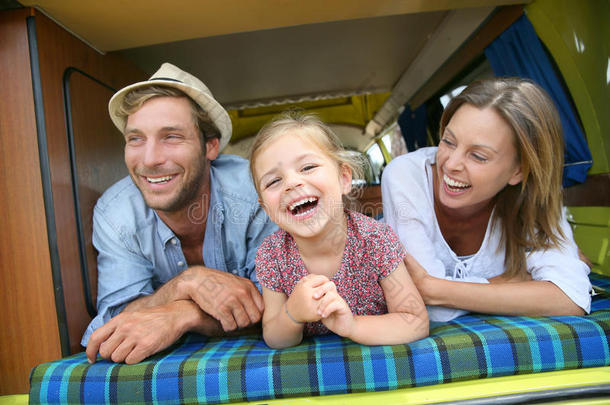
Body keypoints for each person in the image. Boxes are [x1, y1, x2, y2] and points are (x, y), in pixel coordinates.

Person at [83, 63, 278, 364]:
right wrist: (186, 283)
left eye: (171, 137)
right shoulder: (115, 213)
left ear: (210, 146)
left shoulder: (258, 193)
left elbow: (285, 306)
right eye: (135, 139)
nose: (149, 160)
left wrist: (183, 314)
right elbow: (113, 325)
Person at [382, 77, 592, 322]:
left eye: (478, 156)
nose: (450, 164)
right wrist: (513, 280)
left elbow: (571, 296)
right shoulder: (405, 176)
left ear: (519, 171)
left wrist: (432, 289)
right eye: (448, 142)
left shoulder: (534, 195)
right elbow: (431, 309)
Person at [249, 113, 429, 349]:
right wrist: (292, 313)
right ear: (266, 209)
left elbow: (415, 321)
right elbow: (274, 337)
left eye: (308, 167)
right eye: (273, 181)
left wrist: (352, 326)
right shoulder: (272, 255)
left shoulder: (375, 240)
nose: (291, 183)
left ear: (344, 178)